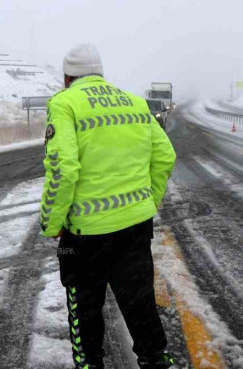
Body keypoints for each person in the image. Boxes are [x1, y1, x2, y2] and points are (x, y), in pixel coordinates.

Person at [38, 43, 177, 368]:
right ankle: (157, 361)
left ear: (67, 78)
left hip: (86, 237)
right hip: (135, 229)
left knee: (85, 314)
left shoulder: (64, 103)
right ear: (100, 73)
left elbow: (63, 168)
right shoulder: (135, 103)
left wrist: (51, 222)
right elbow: (166, 156)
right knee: (141, 306)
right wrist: (147, 202)